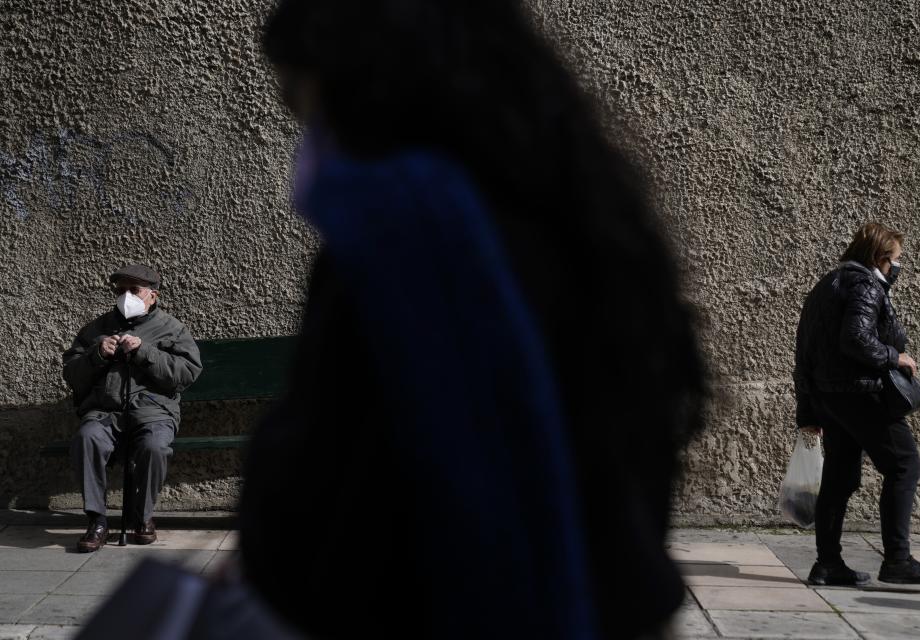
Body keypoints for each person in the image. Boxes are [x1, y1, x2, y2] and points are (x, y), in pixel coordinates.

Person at [239, 1, 705, 639]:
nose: (306, 135)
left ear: (362, 88)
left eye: (301, 102)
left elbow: (317, 527)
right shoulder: (590, 221)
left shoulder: (400, 230)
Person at [794, 222, 920, 585]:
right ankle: (897, 560)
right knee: (904, 465)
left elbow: (804, 351)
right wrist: (896, 357)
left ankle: (828, 564)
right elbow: (856, 339)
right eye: (895, 260)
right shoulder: (865, 284)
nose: (897, 267)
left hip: (830, 398)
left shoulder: (826, 285)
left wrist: (808, 409)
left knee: (839, 478)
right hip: (862, 395)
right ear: (880, 258)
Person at [63, 264, 202, 552]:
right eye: (121, 290)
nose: (126, 296)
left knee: (155, 447)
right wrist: (97, 354)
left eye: (134, 290)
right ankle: (97, 520)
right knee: (86, 438)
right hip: (105, 411)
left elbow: (185, 374)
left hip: (153, 411)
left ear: (153, 295)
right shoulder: (96, 329)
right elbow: (71, 374)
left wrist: (144, 351)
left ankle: (143, 516)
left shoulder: (173, 329)